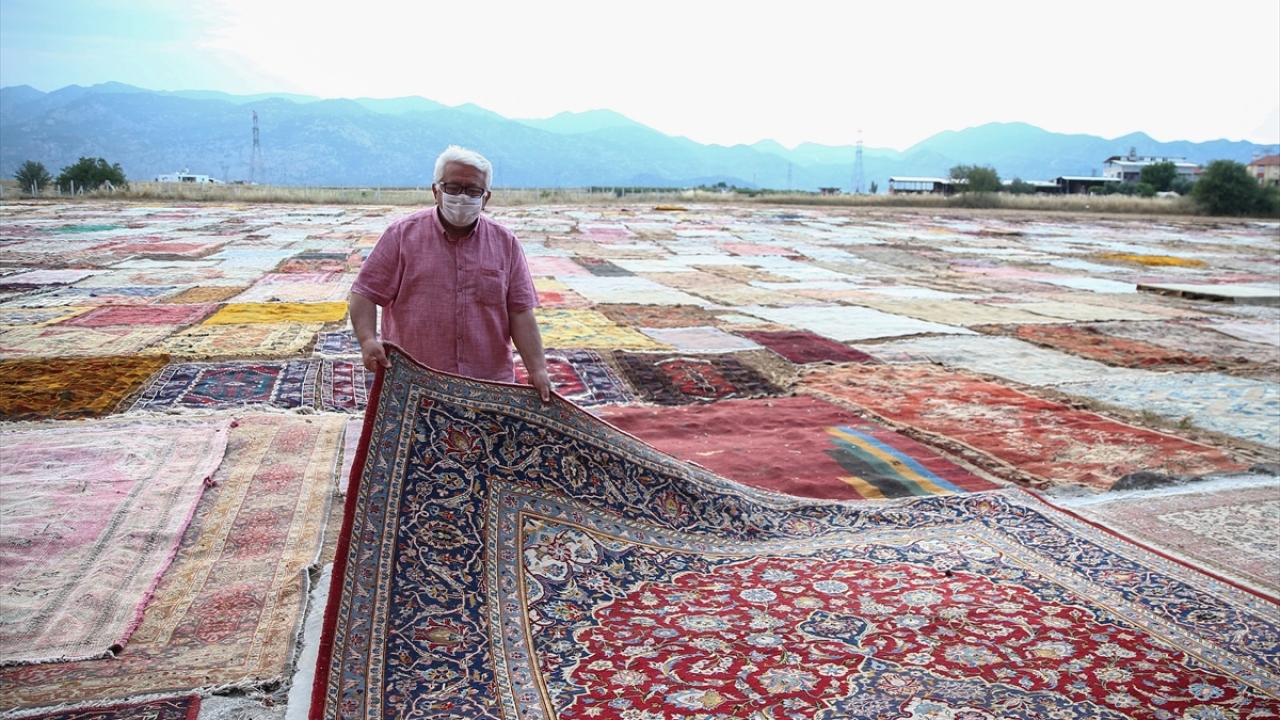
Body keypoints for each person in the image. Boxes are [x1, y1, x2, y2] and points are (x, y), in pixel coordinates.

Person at [348, 145, 552, 401]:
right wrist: (368, 340)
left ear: (486, 198)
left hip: (487, 386)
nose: (462, 197)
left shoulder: (506, 243)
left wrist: (537, 368)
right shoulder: (401, 236)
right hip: (415, 384)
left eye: (473, 190)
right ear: (436, 191)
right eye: (453, 188)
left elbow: (520, 312)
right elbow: (364, 294)